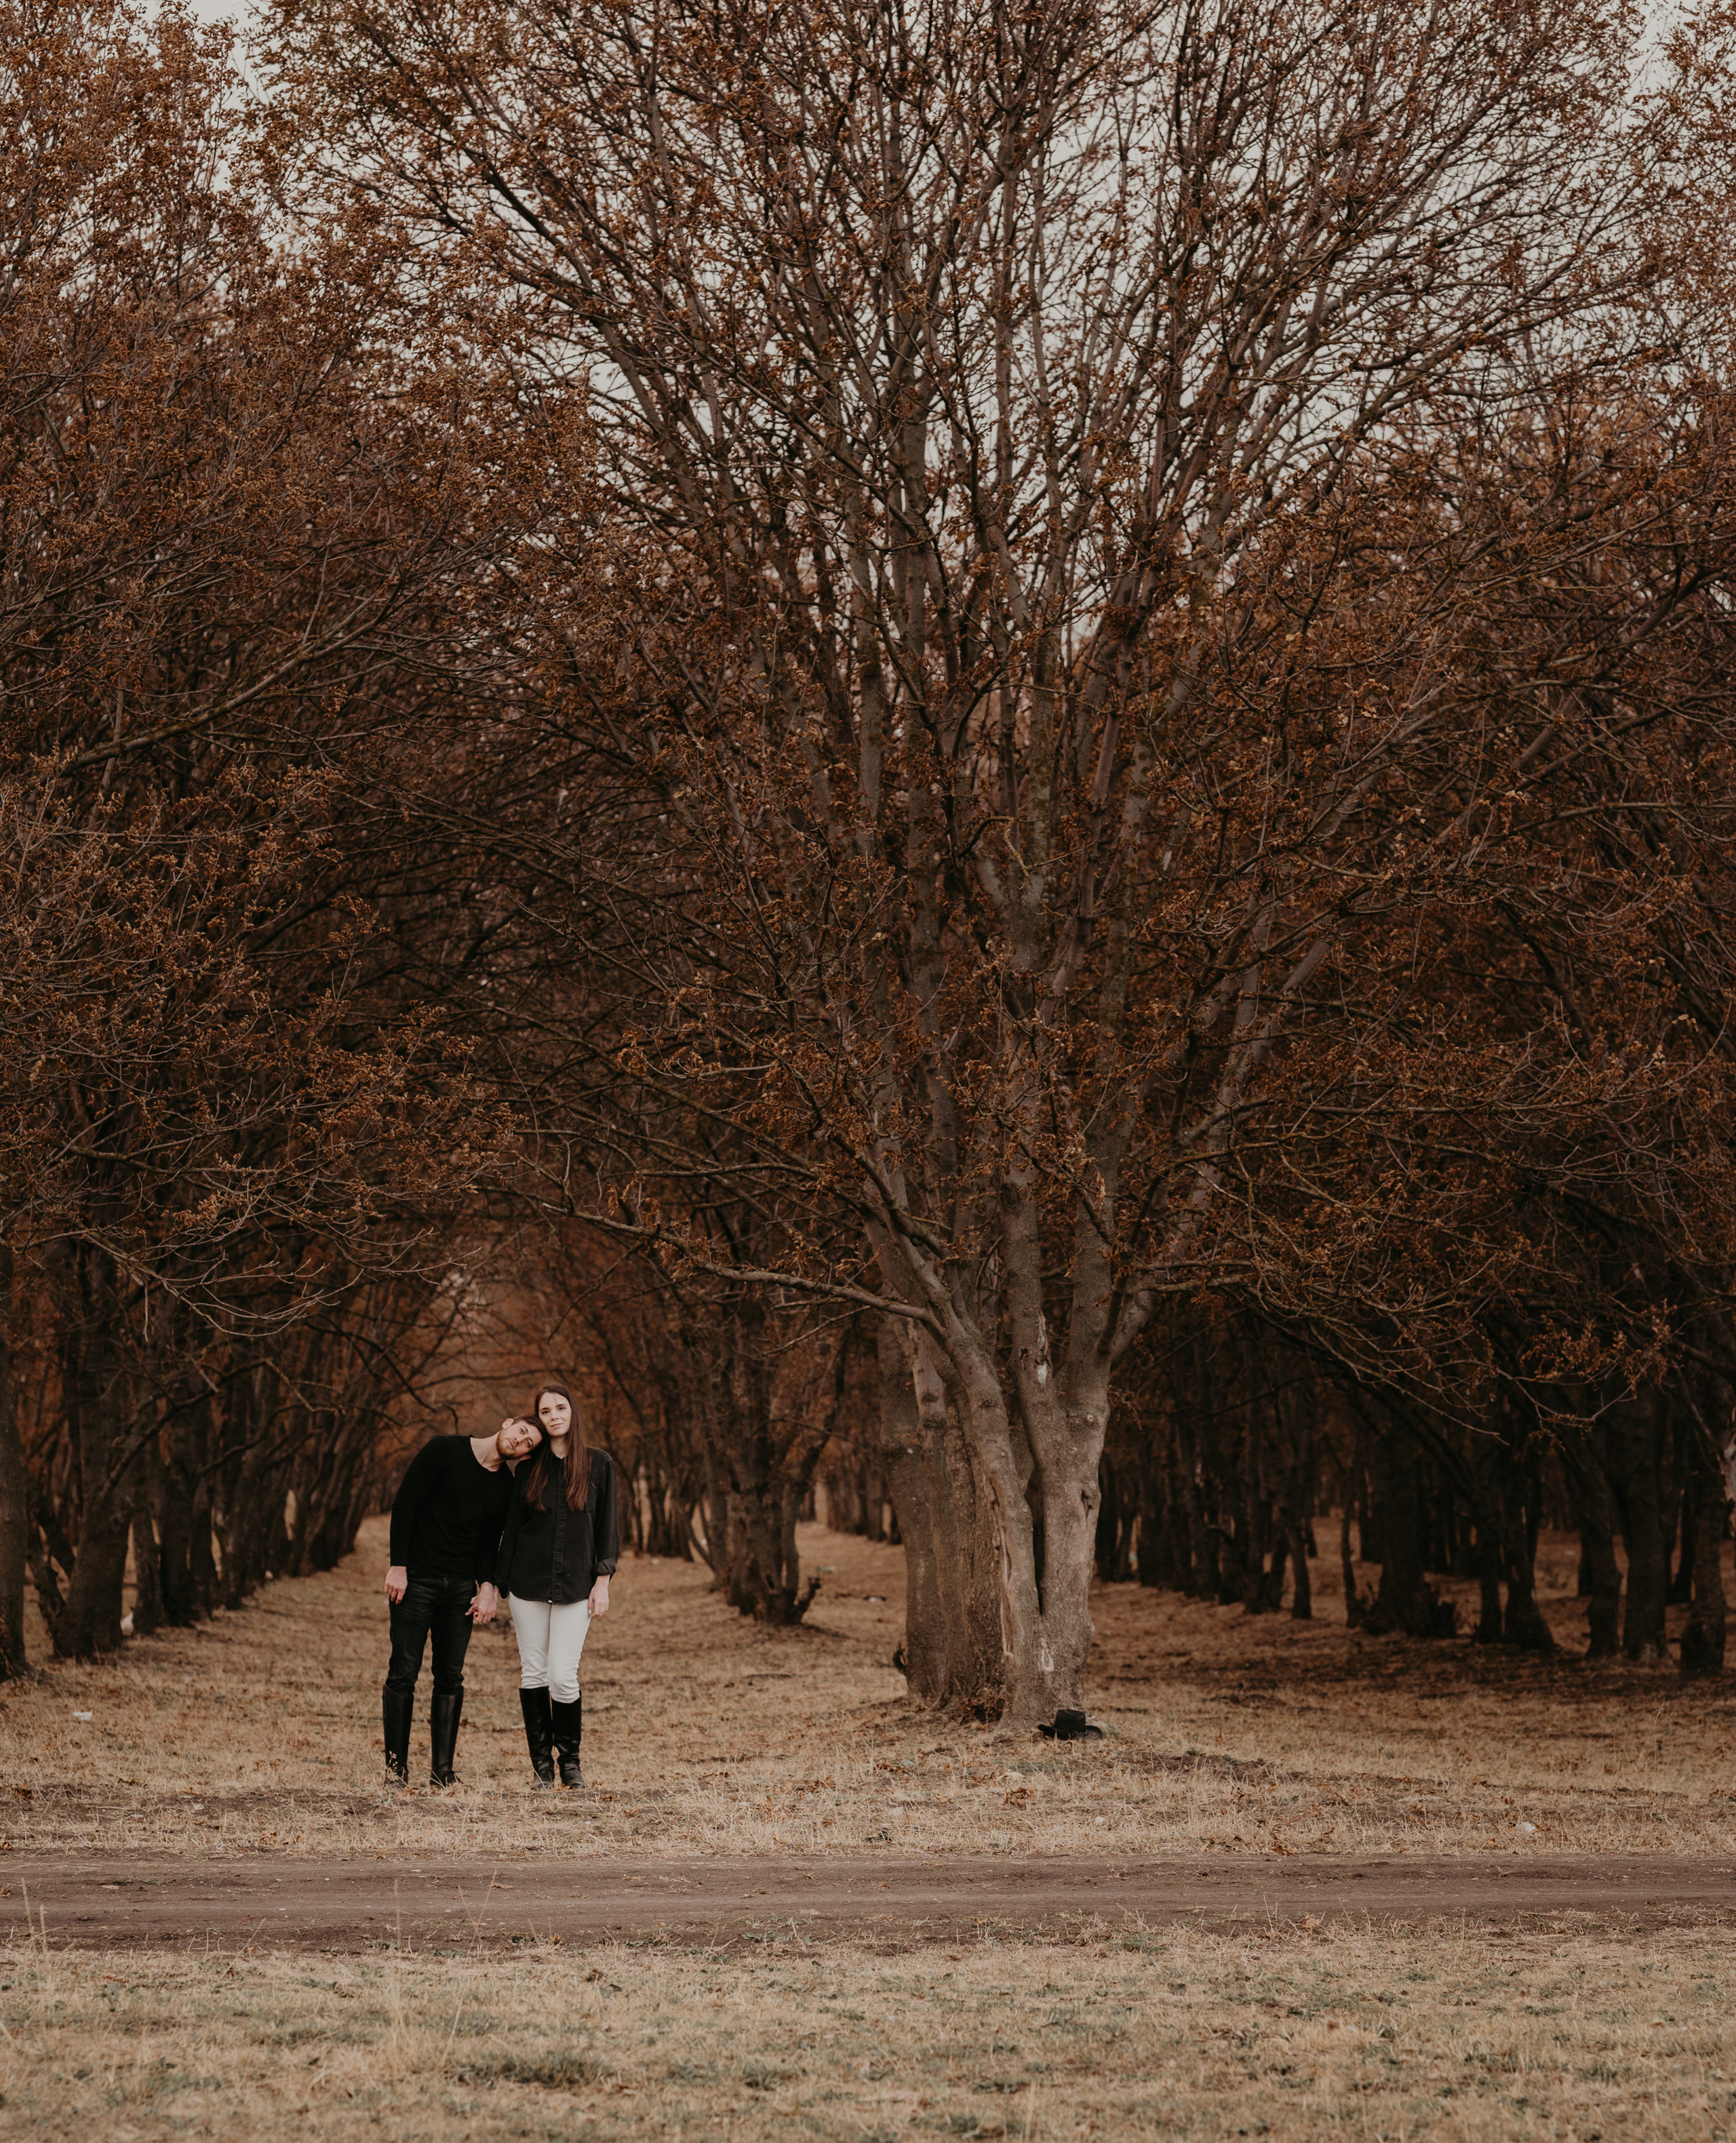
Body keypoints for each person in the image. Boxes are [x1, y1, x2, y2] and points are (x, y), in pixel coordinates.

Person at [382, 1415, 542, 1789]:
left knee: (450, 1677)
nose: (520, 1442)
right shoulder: (444, 1449)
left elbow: (488, 1544)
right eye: (521, 1432)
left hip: (459, 1590)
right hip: (416, 1579)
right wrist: (398, 1566)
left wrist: (487, 1585)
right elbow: (405, 1503)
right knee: (403, 1672)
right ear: (507, 1424)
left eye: (529, 1444)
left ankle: (442, 1772)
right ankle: (395, 1771)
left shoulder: (505, 1486)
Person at [496, 1380, 620, 1787]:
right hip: (527, 1582)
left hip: (577, 1584)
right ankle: (542, 1769)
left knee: (563, 1675)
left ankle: (570, 1764)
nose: (554, 1417)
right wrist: (498, 1583)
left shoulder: (599, 1464)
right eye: (545, 1411)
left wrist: (603, 1581)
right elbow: (513, 1529)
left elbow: (607, 1526)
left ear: (572, 1412)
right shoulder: (528, 1468)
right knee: (534, 1672)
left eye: (560, 1408)